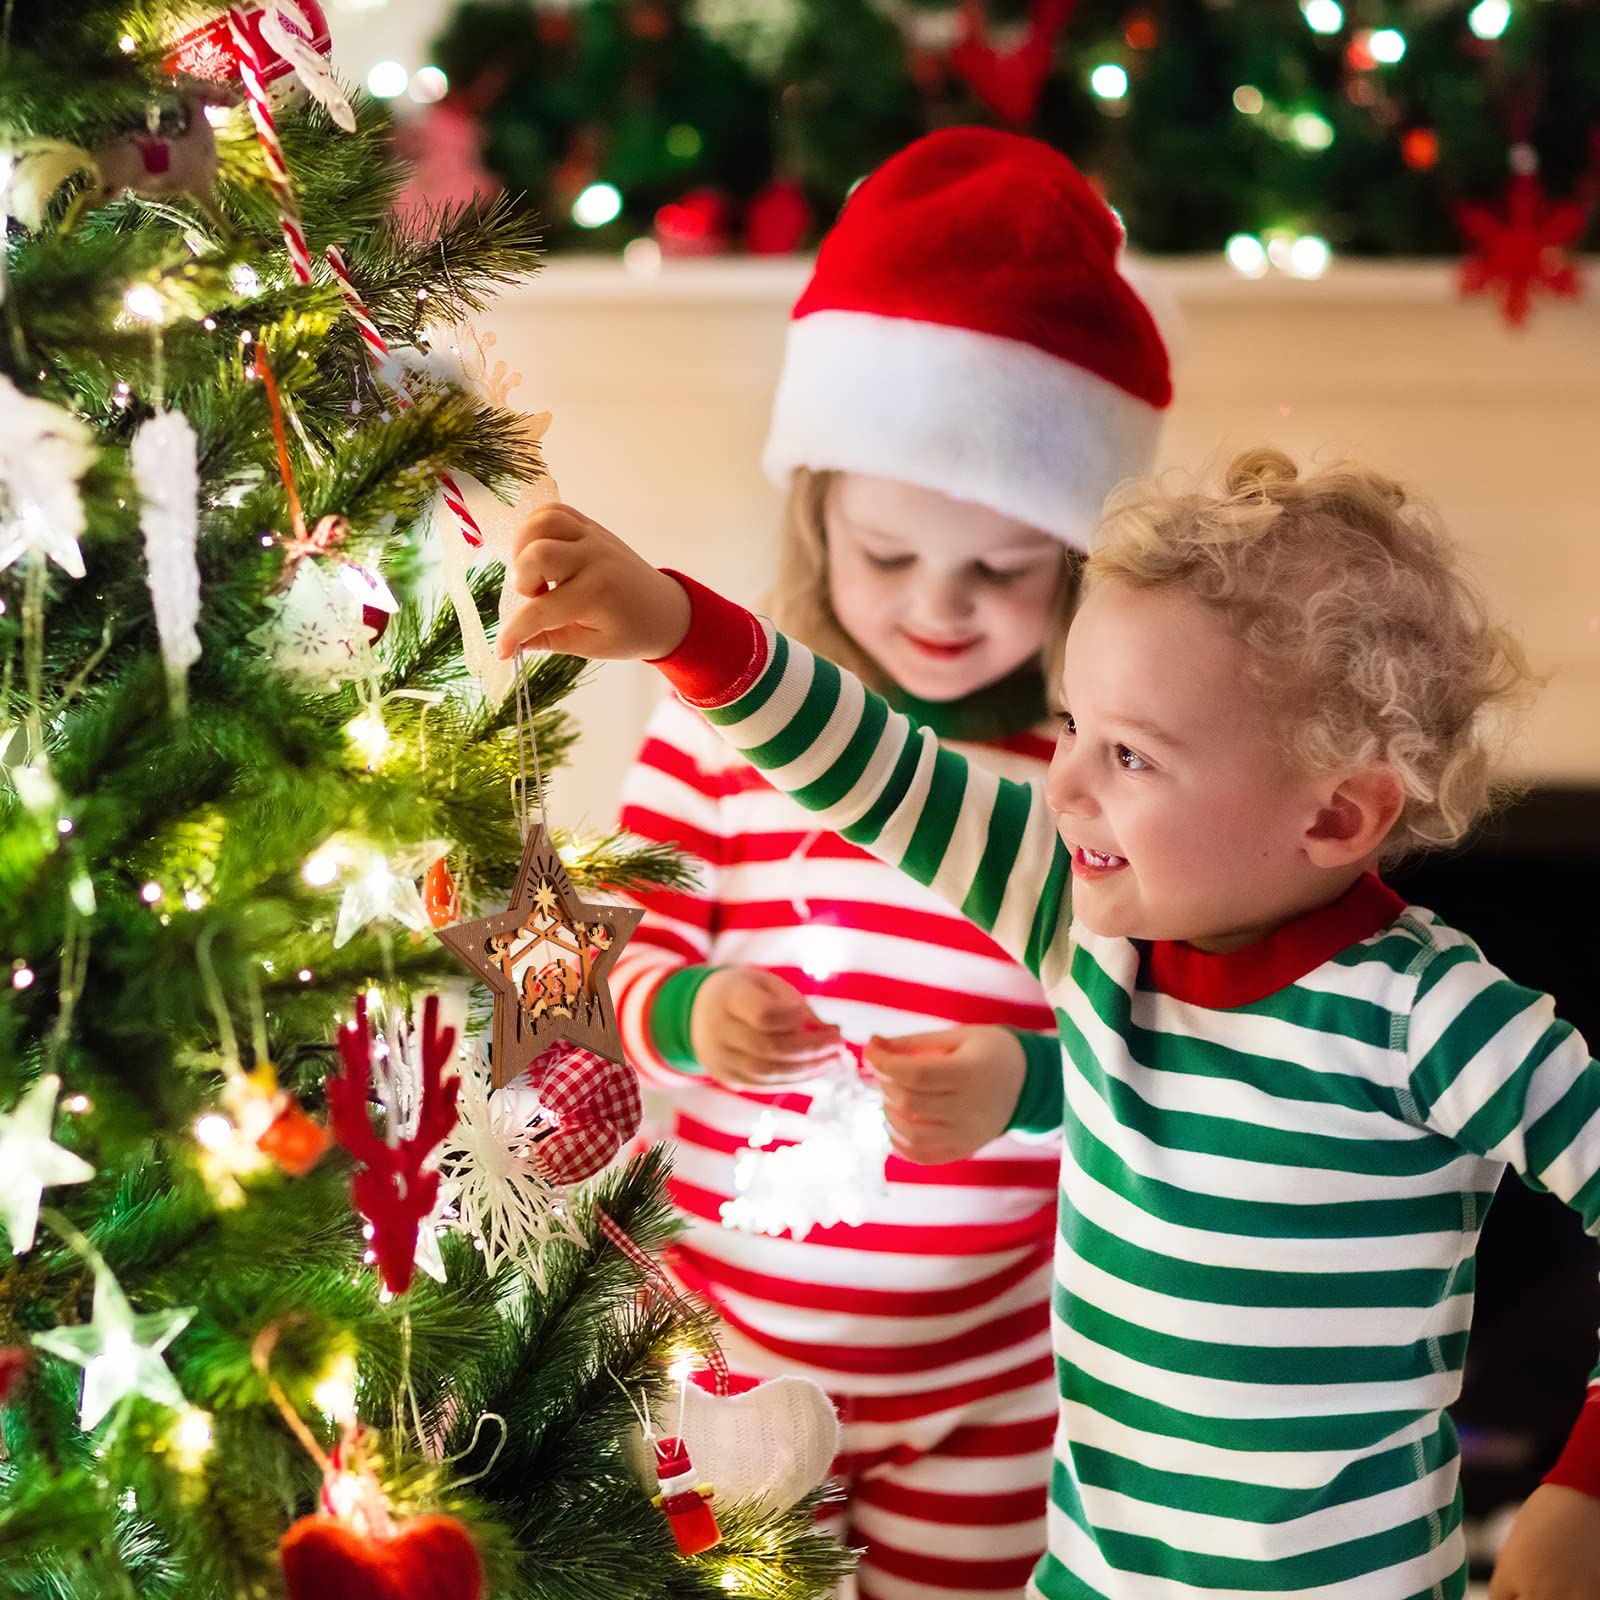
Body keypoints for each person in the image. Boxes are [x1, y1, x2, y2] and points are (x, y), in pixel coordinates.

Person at [497, 450, 1600, 1599]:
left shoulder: (1434, 1021)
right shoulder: (1089, 930)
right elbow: (880, 767)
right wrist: (678, 625)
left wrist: (1580, 1492)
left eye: (1130, 755)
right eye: (1072, 723)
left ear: (1333, 813)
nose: (1064, 786)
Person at [604, 126, 1172, 1597]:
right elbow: (610, 949)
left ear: (1077, 566)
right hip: (728, 1360)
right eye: (887, 553)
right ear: (820, 518)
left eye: (999, 568)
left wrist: (1019, 1081)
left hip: (1001, 1385)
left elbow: (1167, 1046)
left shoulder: (1093, 781)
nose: (937, 606)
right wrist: (690, 1011)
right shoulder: (725, 731)